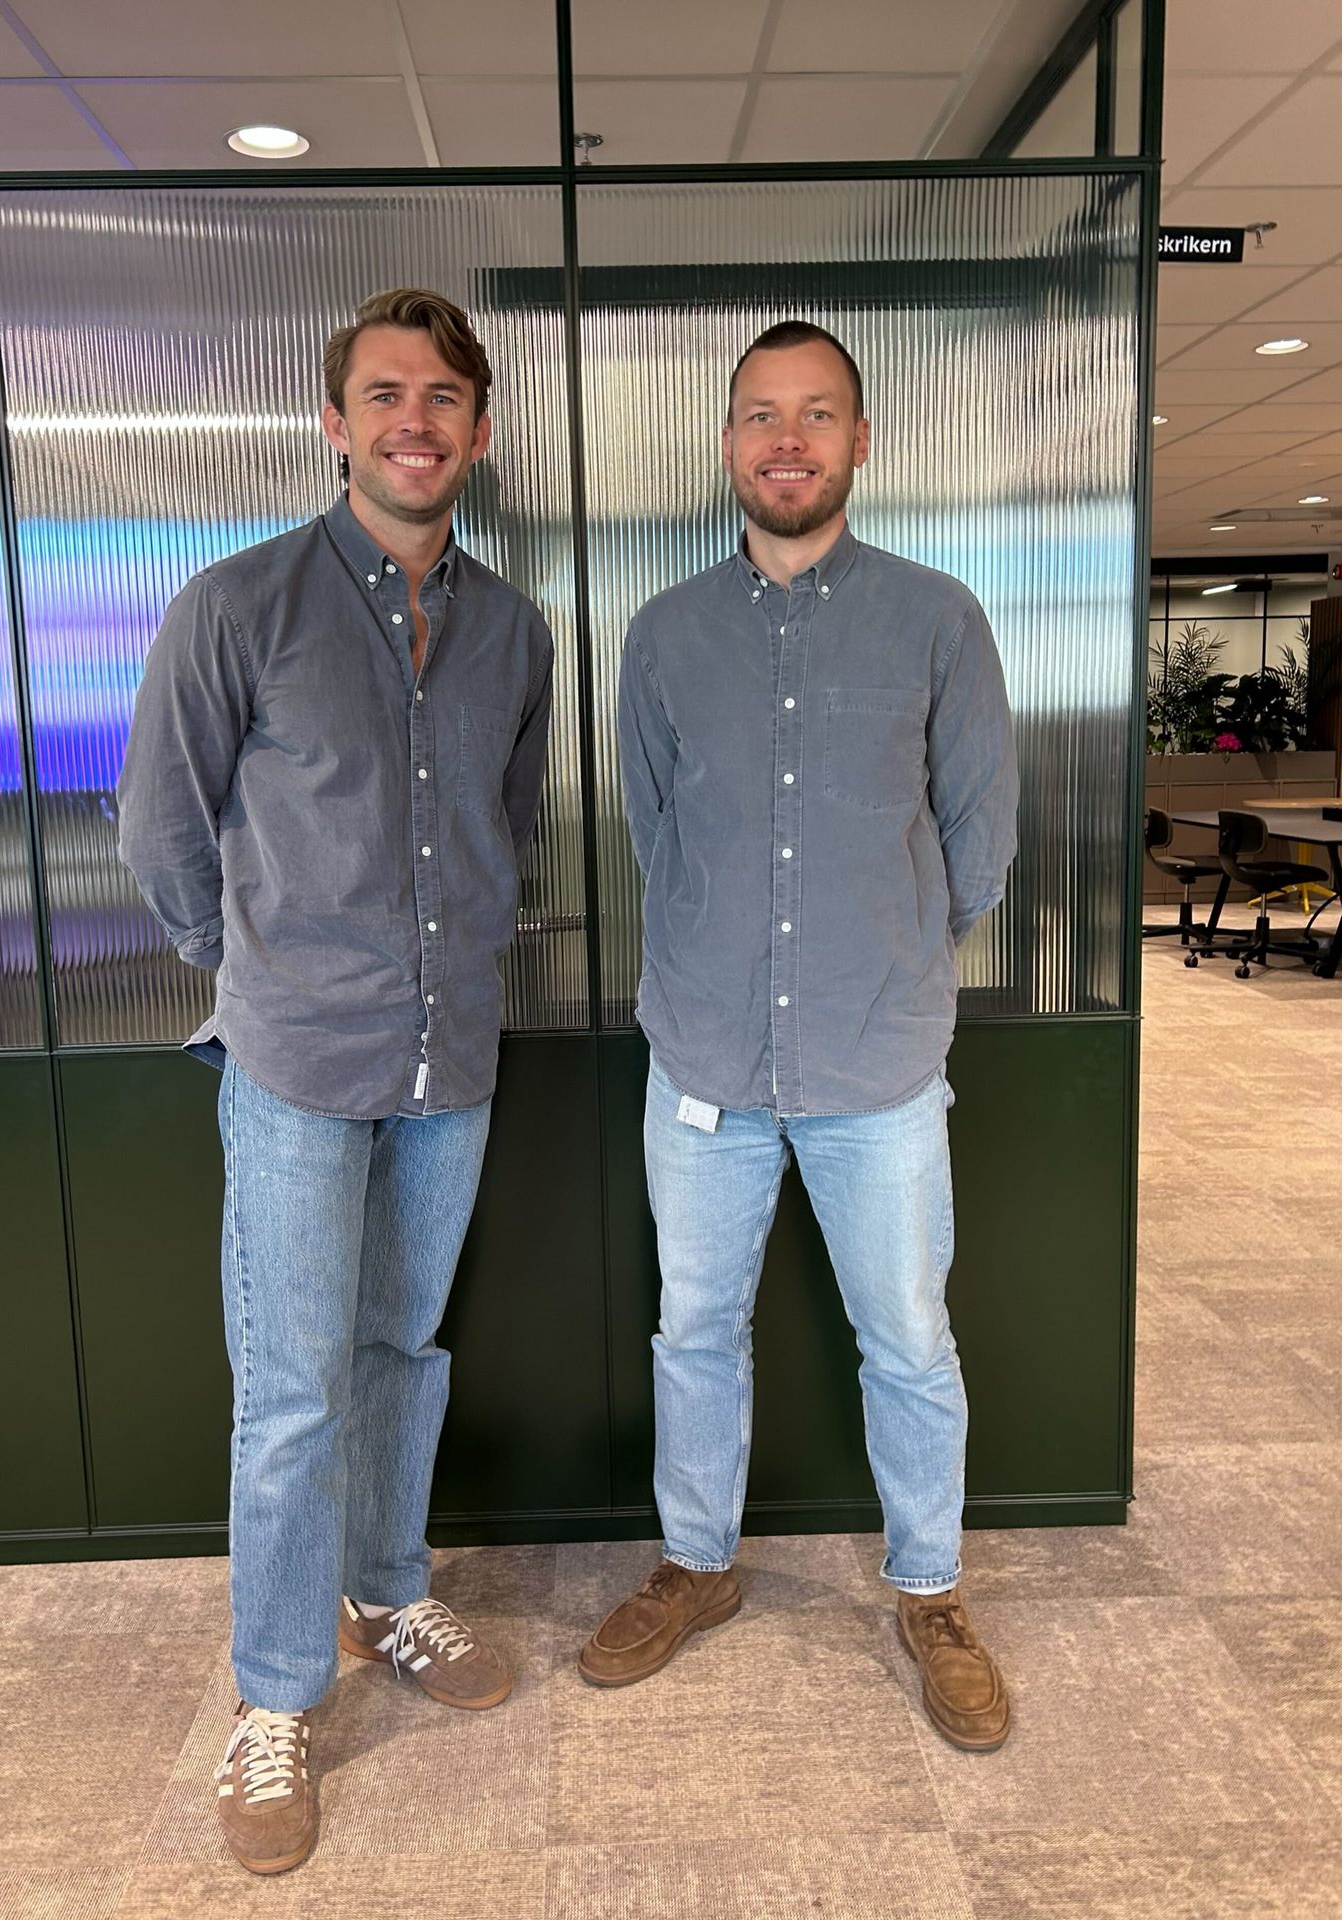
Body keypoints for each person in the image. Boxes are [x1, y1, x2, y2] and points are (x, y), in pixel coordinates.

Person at [118, 288, 553, 1874]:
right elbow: (160, 821)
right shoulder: (239, 605)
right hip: (298, 1058)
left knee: (402, 1349)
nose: (414, 421)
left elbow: (511, 816)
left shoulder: (514, 627)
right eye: (384, 393)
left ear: (478, 431)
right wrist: (246, 970)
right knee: (293, 1389)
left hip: (452, 1055)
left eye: (443, 396)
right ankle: (280, 1695)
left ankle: (388, 1592)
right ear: (335, 419)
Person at [580, 321, 1019, 1754]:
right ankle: (698, 1566)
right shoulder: (665, 634)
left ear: (861, 441)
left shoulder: (939, 620)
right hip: (705, 1058)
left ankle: (932, 1592)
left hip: (876, 1063)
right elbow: (657, 829)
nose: (788, 439)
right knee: (693, 1328)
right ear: (727, 443)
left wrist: (878, 958)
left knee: (907, 1338)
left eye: (817, 414)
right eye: (762, 415)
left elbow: (979, 848)